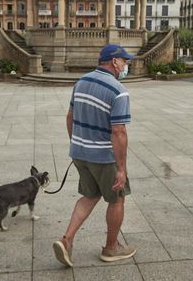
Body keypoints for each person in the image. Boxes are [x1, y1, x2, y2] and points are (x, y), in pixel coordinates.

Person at [53, 44, 136, 267]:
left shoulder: (81, 82)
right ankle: (111, 248)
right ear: (114, 61)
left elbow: (70, 117)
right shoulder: (118, 91)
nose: (126, 65)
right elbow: (118, 131)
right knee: (117, 198)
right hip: (103, 157)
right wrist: (121, 168)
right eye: (125, 61)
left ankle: (66, 240)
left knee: (90, 196)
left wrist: (76, 144)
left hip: (80, 152)